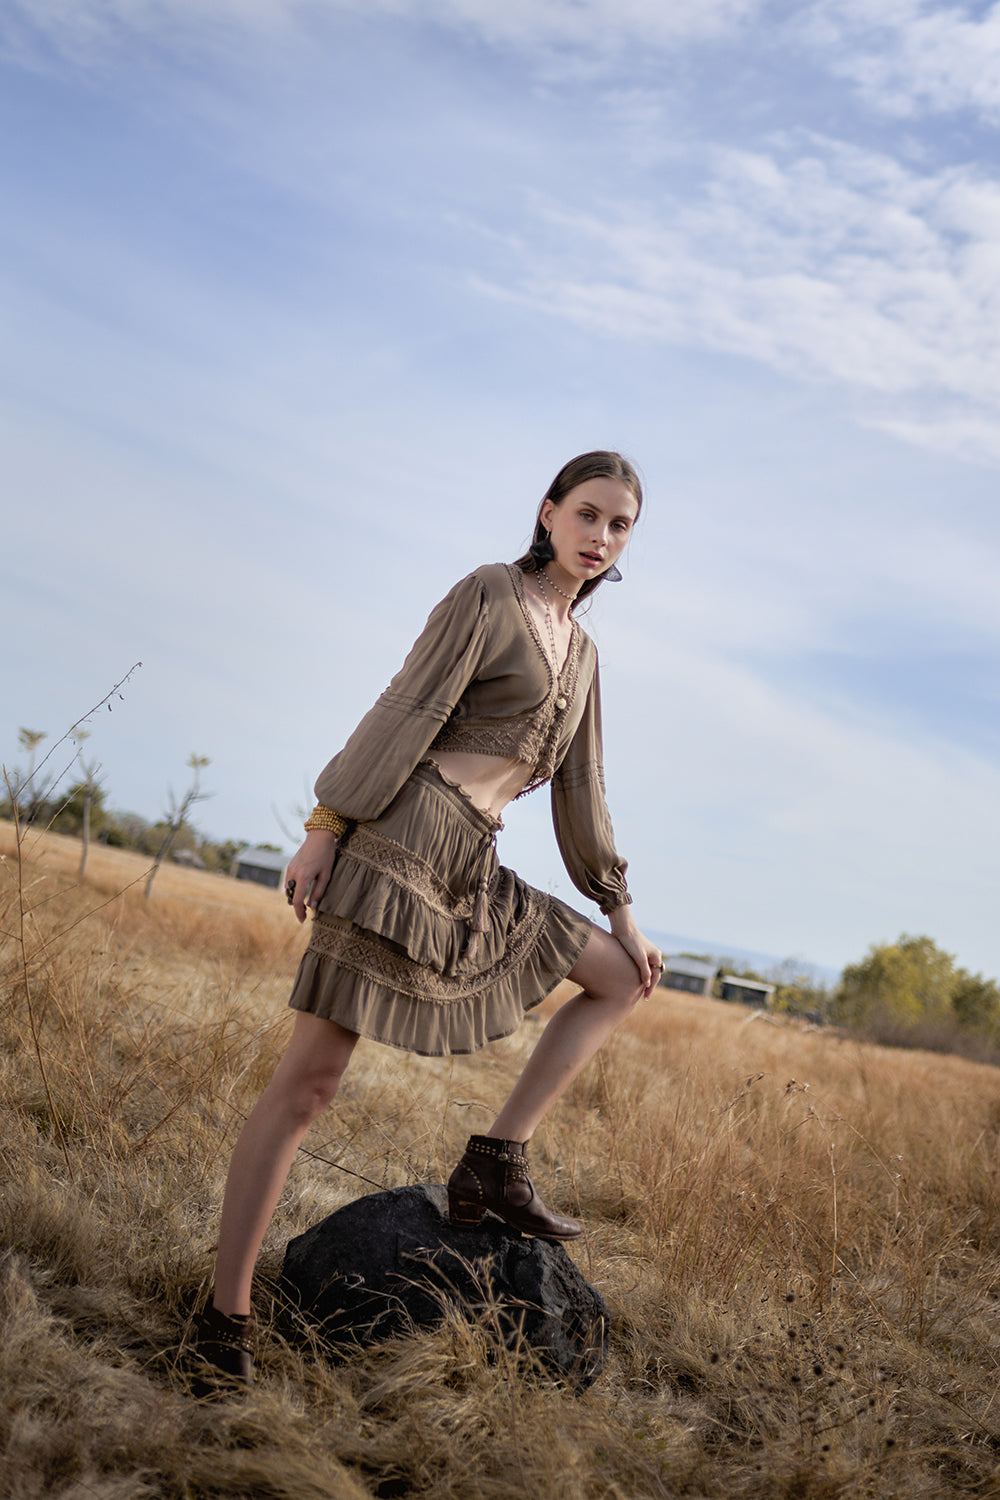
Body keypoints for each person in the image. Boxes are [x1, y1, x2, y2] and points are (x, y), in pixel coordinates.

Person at [195, 451, 662, 1382]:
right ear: (549, 512)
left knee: (618, 976)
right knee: (308, 1088)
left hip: (471, 864)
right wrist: (326, 825)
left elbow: (583, 790)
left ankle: (496, 1159)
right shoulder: (489, 595)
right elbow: (404, 708)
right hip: (398, 842)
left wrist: (624, 912)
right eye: (588, 514)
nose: (600, 537)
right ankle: (224, 1317)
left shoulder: (586, 653)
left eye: (619, 527)